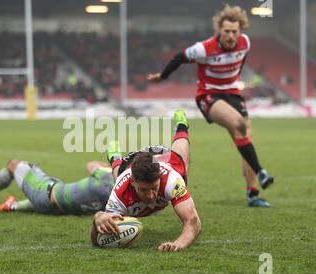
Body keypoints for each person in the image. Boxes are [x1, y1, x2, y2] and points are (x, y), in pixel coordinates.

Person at [147, 4, 274, 207]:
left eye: (234, 31)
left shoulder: (245, 43)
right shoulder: (203, 49)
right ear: (219, 31)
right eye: (226, 32)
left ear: (240, 31)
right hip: (208, 95)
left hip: (232, 94)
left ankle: (253, 194)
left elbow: (239, 60)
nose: (231, 36)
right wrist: (162, 76)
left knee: (245, 137)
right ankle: (261, 172)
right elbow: (179, 57)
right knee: (239, 124)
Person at [91, 110, 201, 252]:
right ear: (132, 182)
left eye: (154, 188)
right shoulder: (121, 189)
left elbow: (193, 221)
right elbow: (97, 240)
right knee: (118, 176)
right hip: (129, 165)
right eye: (144, 189)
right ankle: (115, 157)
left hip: (164, 158)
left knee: (183, 164)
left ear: (160, 179)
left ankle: (181, 126)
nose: (150, 196)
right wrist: (97, 218)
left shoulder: (171, 181)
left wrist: (178, 244)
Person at [0, 160, 114, 215]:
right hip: (60, 210)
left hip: (45, 197)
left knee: (14, 165)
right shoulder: (124, 200)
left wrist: (110, 167)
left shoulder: (108, 177)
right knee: (59, 189)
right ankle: (11, 206)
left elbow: (91, 165)